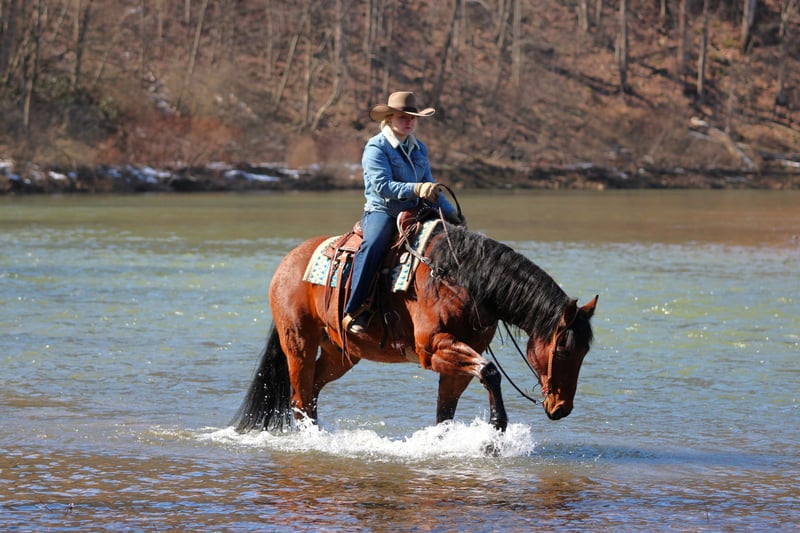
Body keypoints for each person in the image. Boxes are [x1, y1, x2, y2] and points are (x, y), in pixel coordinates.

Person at [342, 91, 463, 334]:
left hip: (417, 211)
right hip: (383, 210)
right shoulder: (376, 147)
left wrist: (451, 213)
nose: (409, 122)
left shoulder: (419, 148)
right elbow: (382, 186)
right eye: (403, 117)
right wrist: (417, 188)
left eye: (412, 118)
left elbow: (430, 185)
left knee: (456, 240)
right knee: (373, 245)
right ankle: (355, 309)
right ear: (389, 118)